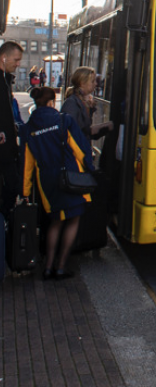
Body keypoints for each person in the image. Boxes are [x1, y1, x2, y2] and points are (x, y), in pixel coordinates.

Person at [20, 86, 94, 280]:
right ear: (53, 102)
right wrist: (91, 169)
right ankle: (60, 266)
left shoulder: (28, 128)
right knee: (73, 220)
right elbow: (80, 149)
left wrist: (26, 190)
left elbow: (27, 164)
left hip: (46, 181)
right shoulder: (64, 121)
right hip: (70, 178)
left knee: (55, 221)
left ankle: (48, 266)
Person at [0, 41, 24, 218]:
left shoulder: (5, 80)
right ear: (4, 57)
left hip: (8, 149)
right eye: (16, 60)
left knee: (13, 185)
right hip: (4, 151)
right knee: (11, 185)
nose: (18, 64)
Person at [61, 66, 113, 141]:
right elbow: (74, 133)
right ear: (82, 83)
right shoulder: (71, 103)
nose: (95, 84)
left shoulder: (82, 101)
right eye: (92, 81)